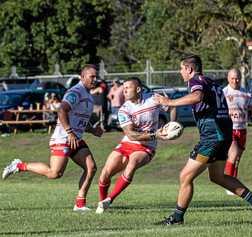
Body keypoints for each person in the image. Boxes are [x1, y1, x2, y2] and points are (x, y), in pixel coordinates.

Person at [154, 55, 252, 225]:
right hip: (224, 134)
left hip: (212, 137)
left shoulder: (195, 82)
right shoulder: (212, 82)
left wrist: (170, 101)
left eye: (182, 68)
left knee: (185, 176)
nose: (180, 72)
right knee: (218, 177)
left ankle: (177, 218)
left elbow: (197, 96)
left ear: (190, 69)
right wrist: (172, 107)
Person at [2, 64, 103, 212]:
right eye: (91, 76)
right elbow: (62, 110)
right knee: (54, 173)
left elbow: (79, 119)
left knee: (91, 168)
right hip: (63, 138)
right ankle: (19, 165)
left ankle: (80, 204)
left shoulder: (88, 95)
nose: (95, 79)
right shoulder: (76, 91)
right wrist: (69, 132)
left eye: (96, 76)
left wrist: (93, 130)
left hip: (75, 138)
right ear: (82, 77)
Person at [96, 77, 174, 214]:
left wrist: (173, 124)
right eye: (123, 88)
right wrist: (155, 134)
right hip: (128, 142)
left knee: (132, 162)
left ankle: (110, 199)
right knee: (105, 174)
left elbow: (171, 106)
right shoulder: (124, 109)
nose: (124, 91)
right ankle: (102, 204)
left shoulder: (154, 99)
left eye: (127, 88)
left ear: (138, 89)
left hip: (146, 147)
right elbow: (131, 135)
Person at [223, 69, 252, 195]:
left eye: (237, 78)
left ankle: (232, 184)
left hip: (242, 130)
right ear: (228, 78)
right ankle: (228, 185)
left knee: (237, 159)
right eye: (232, 78)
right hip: (229, 129)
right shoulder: (223, 93)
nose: (235, 81)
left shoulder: (246, 93)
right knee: (233, 154)